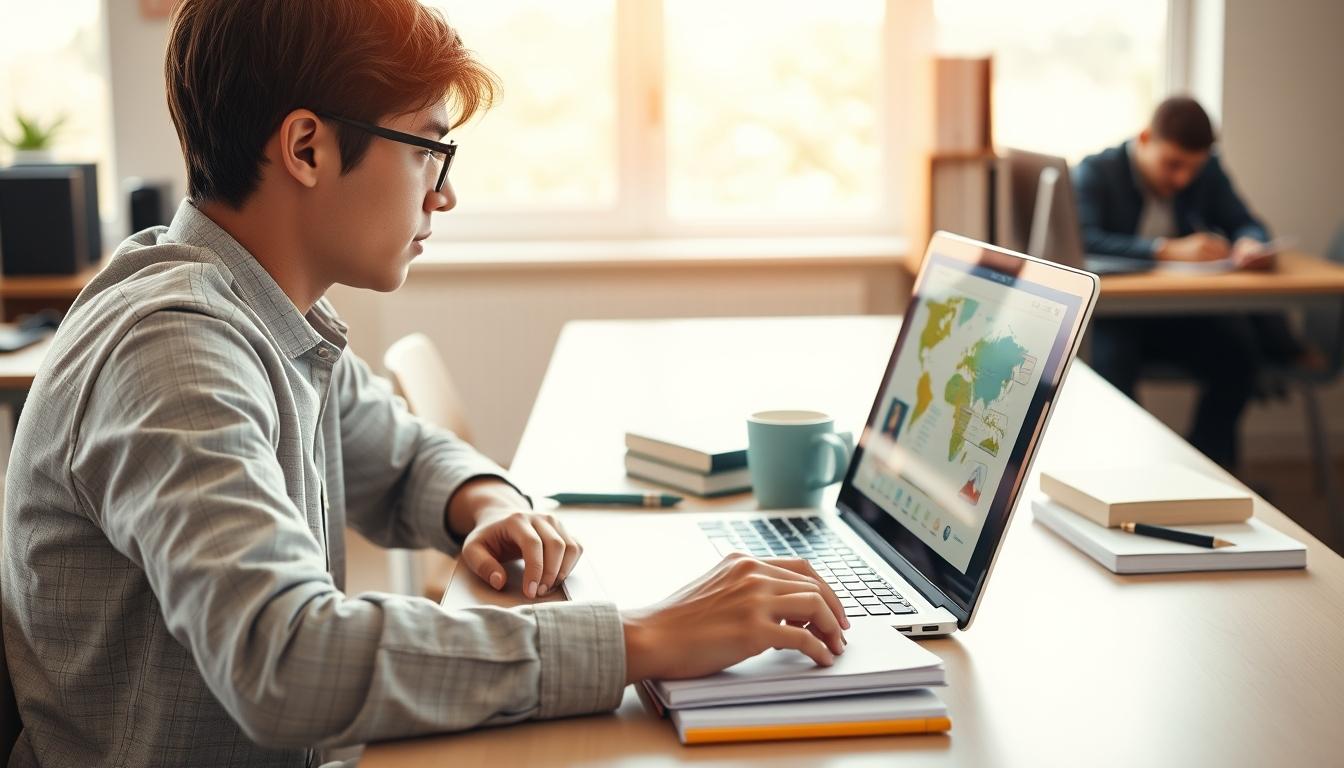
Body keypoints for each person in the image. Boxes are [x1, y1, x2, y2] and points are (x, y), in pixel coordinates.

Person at [0, 2, 848, 766]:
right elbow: (286, 659)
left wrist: (484, 501)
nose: (445, 195)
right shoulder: (173, 349)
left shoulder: (254, 312)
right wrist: (644, 637)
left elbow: (397, 453)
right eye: (429, 151)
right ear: (306, 148)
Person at [1073, 95, 1308, 471]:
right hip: (1120, 319)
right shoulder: (1095, 171)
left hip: (1181, 316)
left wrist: (1249, 242)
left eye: (1192, 169)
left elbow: (1247, 221)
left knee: (1238, 355)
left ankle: (1204, 470)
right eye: (1172, 165)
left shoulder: (1207, 171)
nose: (1182, 178)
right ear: (1146, 138)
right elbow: (1083, 240)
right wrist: (1166, 250)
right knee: (1111, 363)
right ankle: (1127, 472)